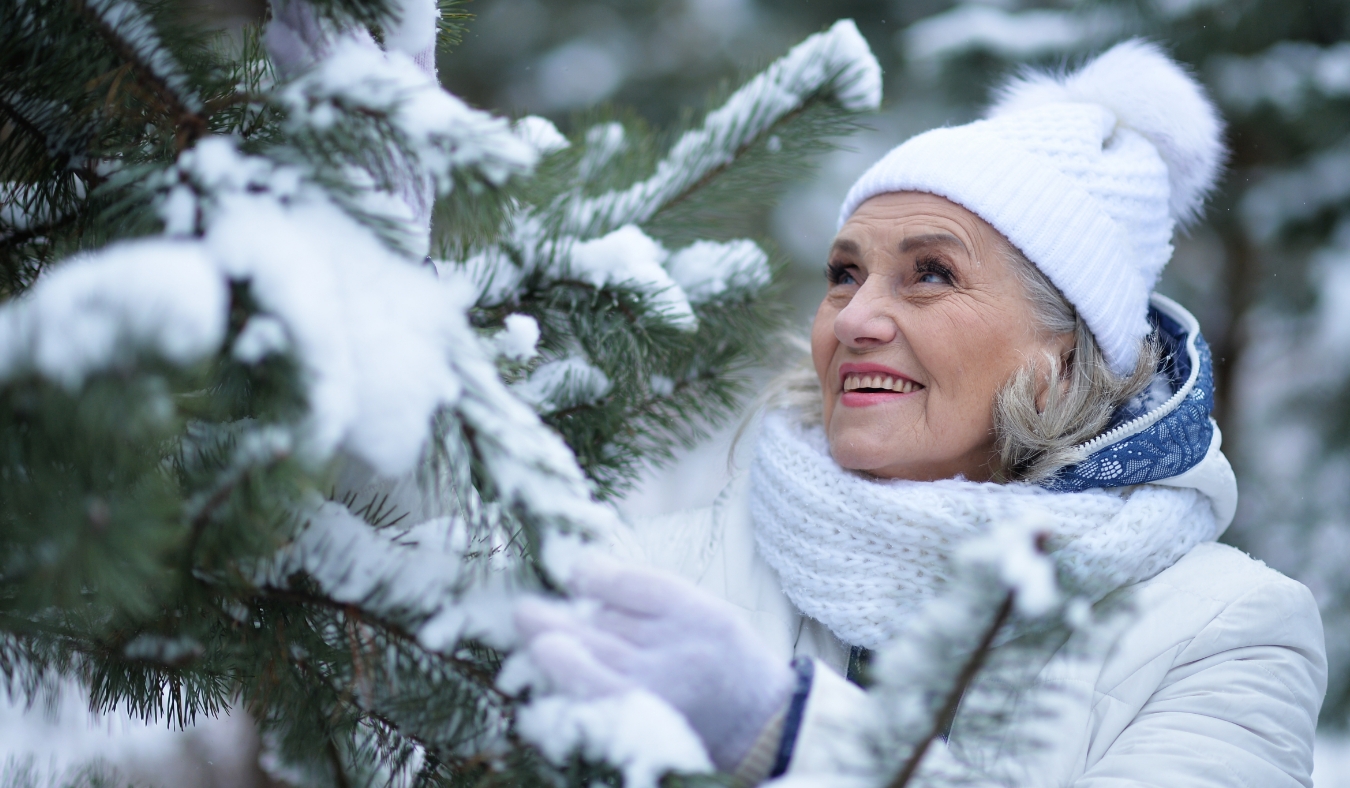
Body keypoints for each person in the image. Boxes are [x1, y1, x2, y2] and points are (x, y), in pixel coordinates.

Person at [515, 40, 1327, 787]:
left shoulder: (1230, 631)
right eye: (844, 273)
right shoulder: (655, 575)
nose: (854, 318)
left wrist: (787, 734)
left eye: (931, 274)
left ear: (1066, 353)